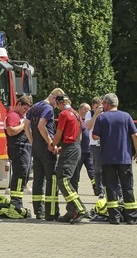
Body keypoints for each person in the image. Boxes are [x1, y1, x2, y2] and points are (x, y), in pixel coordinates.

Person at [92, 93, 137, 225]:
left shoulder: (102, 118)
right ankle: (132, 217)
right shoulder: (126, 116)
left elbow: (95, 136)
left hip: (107, 158)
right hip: (124, 158)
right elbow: (136, 136)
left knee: (111, 187)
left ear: (107, 104)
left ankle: (114, 217)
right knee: (127, 186)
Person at [26, 88, 65, 220]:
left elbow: (26, 126)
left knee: (38, 179)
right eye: (58, 101)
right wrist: (50, 143)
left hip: (36, 148)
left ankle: (39, 211)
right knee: (51, 179)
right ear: (54, 98)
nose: (58, 104)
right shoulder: (48, 108)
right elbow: (41, 125)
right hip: (46, 149)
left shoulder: (35, 106)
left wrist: (32, 141)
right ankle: (51, 211)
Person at [51, 95, 87, 223]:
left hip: (70, 148)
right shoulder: (76, 114)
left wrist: (52, 145)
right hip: (76, 146)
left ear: (59, 103)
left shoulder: (64, 114)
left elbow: (59, 134)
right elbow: (80, 135)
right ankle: (71, 211)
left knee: (63, 180)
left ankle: (80, 209)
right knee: (70, 181)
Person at [5, 95, 33, 210]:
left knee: (24, 173)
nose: (25, 112)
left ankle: (17, 201)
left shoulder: (21, 116)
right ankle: (16, 202)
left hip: (24, 148)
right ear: (19, 104)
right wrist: (24, 125)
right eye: (24, 109)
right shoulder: (13, 116)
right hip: (18, 148)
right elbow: (11, 131)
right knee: (20, 173)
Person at [70, 103, 96, 193]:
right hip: (79, 150)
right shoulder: (77, 119)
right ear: (81, 109)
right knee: (76, 171)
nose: (89, 111)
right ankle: (74, 189)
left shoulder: (89, 120)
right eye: (87, 109)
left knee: (92, 171)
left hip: (88, 150)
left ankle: (96, 189)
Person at [85, 96, 104, 196]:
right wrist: (96, 115)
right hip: (93, 144)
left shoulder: (105, 114)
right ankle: (100, 190)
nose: (98, 109)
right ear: (93, 107)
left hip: (105, 144)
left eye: (100, 107)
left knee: (107, 167)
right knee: (97, 169)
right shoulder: (90, 114)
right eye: (96, 107)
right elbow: (88, 127)